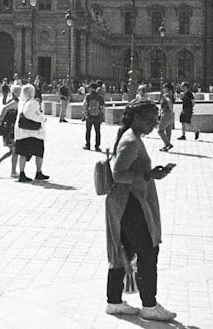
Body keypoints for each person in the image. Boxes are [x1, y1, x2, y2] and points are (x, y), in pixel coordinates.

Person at [104, 100, 178, 321]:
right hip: (130, 202)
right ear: (137, 118)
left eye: (155, 121)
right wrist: (148, 175)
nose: (154, 125)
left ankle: (114, 302)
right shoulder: (131, 141)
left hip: (128, 202)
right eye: (150, 121)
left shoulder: (131, 137)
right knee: (147, 251)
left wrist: (151, 174)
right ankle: (149, 305)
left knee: (123, 251)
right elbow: (118, 175)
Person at [14, 84, 49, 183]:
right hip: (33, 133)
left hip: (22, 133)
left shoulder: (21, 102)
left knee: (22, 154)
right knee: (39, 153)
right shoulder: (31, 102)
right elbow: (28, 114)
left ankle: (22, 173)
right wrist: (42, 119)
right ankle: (38, 172)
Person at [0, 84, 20, 176]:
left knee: (13, 151)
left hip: (11, 129)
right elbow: (5, 109)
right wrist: (0, 120)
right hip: (11, 130)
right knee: (14, 151)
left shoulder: (12, 100)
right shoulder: (15, 102)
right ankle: (13, 171)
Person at [84, 82, 106, 151]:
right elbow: (103, 108)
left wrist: (85, 113)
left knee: (88, 131)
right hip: (97, 116)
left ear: (91, 88)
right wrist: (102, 115)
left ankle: (88, 145)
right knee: (97, 131)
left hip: (89, 116)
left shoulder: (88, 96)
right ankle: (97, 146)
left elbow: (84, 105)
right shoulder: (100, 97)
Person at [158, 83, 175, 152]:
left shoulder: (166, 95)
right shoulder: (171, 94)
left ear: (167, 89)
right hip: (170, 114)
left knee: (160, 130)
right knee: (168, 131)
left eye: (164, 88)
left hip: (166, 113)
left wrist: (170, 108)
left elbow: (169, 102)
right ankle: (166, 146)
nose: (162, 89)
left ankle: (168, 144)